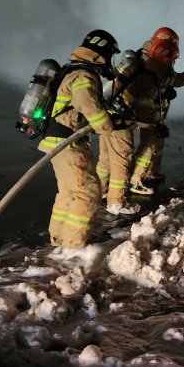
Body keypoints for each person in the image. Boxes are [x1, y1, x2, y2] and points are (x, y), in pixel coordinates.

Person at [38, 29, 120, 247]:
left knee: (68, 191)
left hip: (56, 140)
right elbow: (87, 103)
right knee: (89, 191)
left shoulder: (71, 69)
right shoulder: (84, 75)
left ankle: (59, 238)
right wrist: (106, 126)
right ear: (103, 53)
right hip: (68, 143)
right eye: (111, 55)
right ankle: (74, 244)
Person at [127, 30, 184, 195]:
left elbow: (173, 80)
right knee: (148, 146)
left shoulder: (159, 55)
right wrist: (152, 119)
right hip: (147, 112)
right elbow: (156, 86)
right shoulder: (152, 60)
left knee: (157, 145)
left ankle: (150, 174)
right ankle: (135, 180)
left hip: (156, 111)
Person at [95, 49, 142, 215]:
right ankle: (117, 203)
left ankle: (100, 192)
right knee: (122, 163)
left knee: (105, 162)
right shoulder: (135, 79)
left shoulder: (114, 76)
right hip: (120, 127)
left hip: (106, 123)